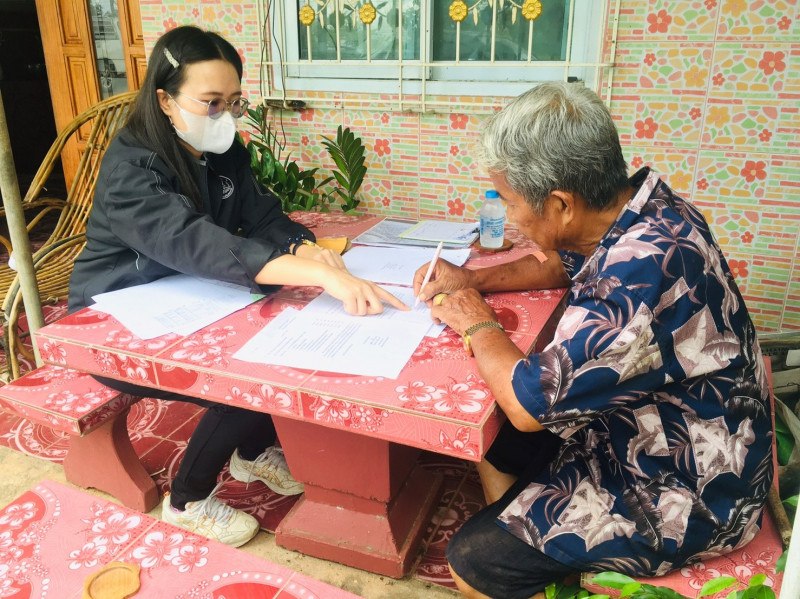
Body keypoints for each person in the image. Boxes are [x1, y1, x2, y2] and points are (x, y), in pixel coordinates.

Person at [414, 82, 773, 599]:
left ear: (561, 203)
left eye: (510, 203)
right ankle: (539, 543)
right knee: (494, 443)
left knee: (474, 563)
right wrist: (474, 279)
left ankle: (532, 559)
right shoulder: (645, 209)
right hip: (662, 426)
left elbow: (526, 406)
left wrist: (477, 322)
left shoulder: (635, 278)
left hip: (694, 489)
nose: (510, 218)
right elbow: (569, 263)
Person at [68, 25, 406, 548]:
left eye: (232, 101)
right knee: (245, 378)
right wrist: (319, 274)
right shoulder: (132, 169)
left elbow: (263, 215)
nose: (223, 114)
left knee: (282, 335)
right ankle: (186, 500)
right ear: (165, 99)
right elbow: (196, 243)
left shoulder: (221, 148)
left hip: (191, 297)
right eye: (210, 102)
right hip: (113, 319)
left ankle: (249, 455)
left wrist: (307, 251)